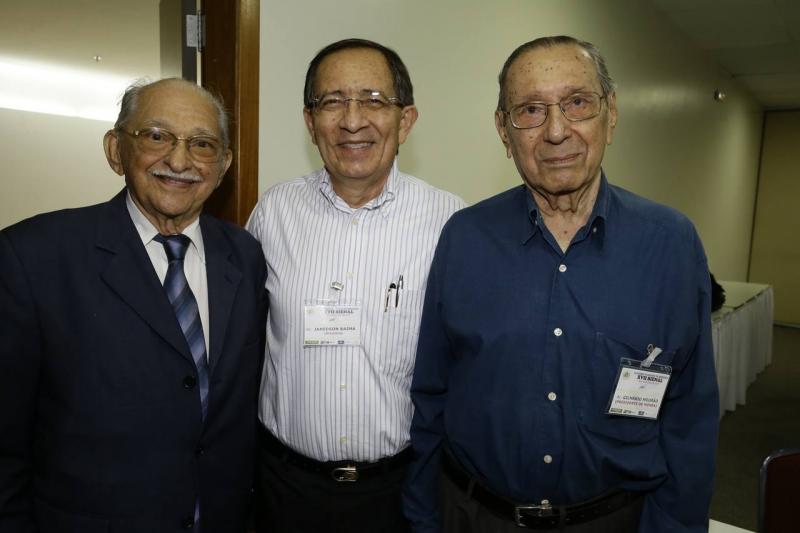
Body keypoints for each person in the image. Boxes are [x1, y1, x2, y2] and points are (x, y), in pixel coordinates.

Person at [404, 36, 719, 533]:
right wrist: (423, 519)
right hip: (476, 517)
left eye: (577, 103)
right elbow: (431, 395)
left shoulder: (671, 244)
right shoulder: (464, 238)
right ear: (503, 130)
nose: (556, 131)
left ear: (611, 114)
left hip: (614, 520)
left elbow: (689, 416)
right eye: (530, 110)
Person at [0, 78, 268, 532]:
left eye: (202, 144)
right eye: (157, 136)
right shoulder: (33, 257)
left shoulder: (245, 256)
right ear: (115, 150)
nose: (179, 161)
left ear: (223, 165)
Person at [246, 38, 464, 533]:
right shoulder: (273, 213)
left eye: (373, 100)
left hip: (399, 491)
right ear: (310, 122)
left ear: (405, 120)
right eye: (332, 102)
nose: (351, 121)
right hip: (285, 488)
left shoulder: (450, 223)